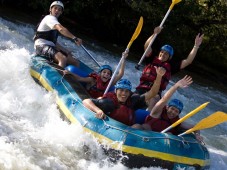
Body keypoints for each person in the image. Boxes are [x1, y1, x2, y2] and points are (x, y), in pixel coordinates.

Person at [135, 26, 204, 110]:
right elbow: (147, 47)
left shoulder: (171, 67)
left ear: (169, 57)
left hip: (156, 93)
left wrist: (196, 46)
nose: (163, 54)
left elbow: (188, 61)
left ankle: (146, 116)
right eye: (162, 52)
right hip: (142, 88)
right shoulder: (151, 59)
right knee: (133, 97)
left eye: (166, 54)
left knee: (154, 99)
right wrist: (154, 34)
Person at [82, 66, 166, 126]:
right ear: (115, 91)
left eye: (126, 91)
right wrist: (98, 110)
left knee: (137, 126)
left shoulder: (133, 100)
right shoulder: (109, 102)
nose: (124, 94)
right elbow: (86, 101)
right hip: (109, 127)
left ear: (130, 93)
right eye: (121, 90)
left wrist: (159, 76)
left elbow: (152, 93)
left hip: (126, 128)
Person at [134, 75, 203, 141]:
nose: (173, 112)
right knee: (137, 126)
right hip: (143, 134)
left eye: (176, 111)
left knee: (169, 135)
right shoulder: (157, 112)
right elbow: (164, 99)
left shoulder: (177, 122)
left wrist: (197, 135)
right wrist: (176, 86)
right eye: (172, 109)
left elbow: (195, 127)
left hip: (160, 142)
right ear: (167, 107)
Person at [34, 1, 82, 68]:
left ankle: (72, 77)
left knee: (75, 62)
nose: (57, 10)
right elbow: (61, 29)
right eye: (55, 8)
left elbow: (53, 42)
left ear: (61, 12)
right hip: (41, 46)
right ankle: (59, 76)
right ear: (50, 9)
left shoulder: (54, 22)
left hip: (50, 47)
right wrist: (75, 38)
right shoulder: (49, 18)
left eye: (59, 10)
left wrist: (65, 50)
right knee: (62, 58)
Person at [64, 51, 128, 98]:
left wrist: (124, 59)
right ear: (100, 74)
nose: (106, 74)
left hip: (98, 100)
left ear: (110, 77)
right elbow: (80, 78)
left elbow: (120, 74)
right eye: (104, 72)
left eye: (108, 73)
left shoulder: (110, 83)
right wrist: (70, 73)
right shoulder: (93, 80)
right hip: (87, 97)